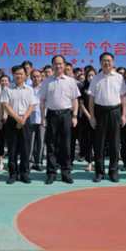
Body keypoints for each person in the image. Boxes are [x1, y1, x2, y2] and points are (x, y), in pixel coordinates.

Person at [39, 55, 80, 184]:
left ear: (64, 65)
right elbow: (42, 101)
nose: (58, 66)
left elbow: (75, 100)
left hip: (66, 115)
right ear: (52, 65)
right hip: (51, 115)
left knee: (66, 145)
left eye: (60, 63)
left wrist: (74, 116)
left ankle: (65, 173)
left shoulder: (70, 81)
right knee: (51, 145)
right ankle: (51, 173)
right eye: (56, 64)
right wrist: (43, 117)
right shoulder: (46, 82)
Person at [88, 53, 126, 183]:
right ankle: (99, 172)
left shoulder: (119, 78)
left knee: (115, 144)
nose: (107, 63)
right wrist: (92, 116)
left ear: (113, 62)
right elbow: (91, 99)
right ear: (100, 63)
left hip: (115, 111)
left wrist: (124, 114)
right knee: (99, 144)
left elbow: (123, 97)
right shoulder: (95, 79)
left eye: (109, 60)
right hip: (100, 112)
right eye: (104, 61)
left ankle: (113, 171)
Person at [0, 65, 37, 184]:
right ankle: (13, 174)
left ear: (25, 75)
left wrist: (23, 118)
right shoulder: (7, 89)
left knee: (25, 149)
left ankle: (24, 174)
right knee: (12, 149)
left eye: (21, 74)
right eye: (17, 74)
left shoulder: (29, 89)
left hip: (26, 121)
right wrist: (17, 118)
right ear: (13, 75)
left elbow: (32, 105)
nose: (19, 76)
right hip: (12, 121)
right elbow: (5, 105)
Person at [78, 67, 96, 172]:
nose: (91, 77)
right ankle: (89, 162)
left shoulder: (98, 87)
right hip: (86, 118)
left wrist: (94, 116)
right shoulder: (83, 88)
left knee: (98, 141)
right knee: (88, 141)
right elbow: (81, 104)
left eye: (92, 75)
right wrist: (89, 116)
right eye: (89, 75)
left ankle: (98, 162)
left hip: (98, 117)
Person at [29, 69, 45, 171]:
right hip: (30, 119)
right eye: (34, 76)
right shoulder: (27, 89)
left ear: (41, 77)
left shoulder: (44, 88)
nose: (36, 78)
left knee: (41, 142)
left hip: (42, 119)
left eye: (38, 76)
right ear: (30, 78)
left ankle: (39, 162)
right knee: (30, 142)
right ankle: (30, 162)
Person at [0, 74, 11, 171]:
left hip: (11, 121)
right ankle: (1, 163)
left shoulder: (12, 92)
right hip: (0, 121)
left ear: (9, 82)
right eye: (2, 81)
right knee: (0, 142)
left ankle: (10, 163)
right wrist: (2, 117)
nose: (4, 82)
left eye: (6, 81)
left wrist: (8, 116)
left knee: (11, 143)